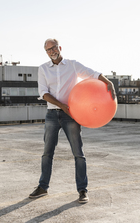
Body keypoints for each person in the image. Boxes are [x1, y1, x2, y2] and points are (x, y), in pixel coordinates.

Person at [29, 38, 116, 204]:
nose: (52, 52)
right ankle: (42, 187)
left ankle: (82, 190)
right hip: (52, 115)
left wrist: (108, 81)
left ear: (59, 47)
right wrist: (62, 106)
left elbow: (93, 74)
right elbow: (44, 93)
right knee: (47, 153)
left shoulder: (73, 65)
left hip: (71, 115)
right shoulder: (43, 69)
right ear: (46, 52)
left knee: (78, 153)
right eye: (48, 50)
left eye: (54, 48)